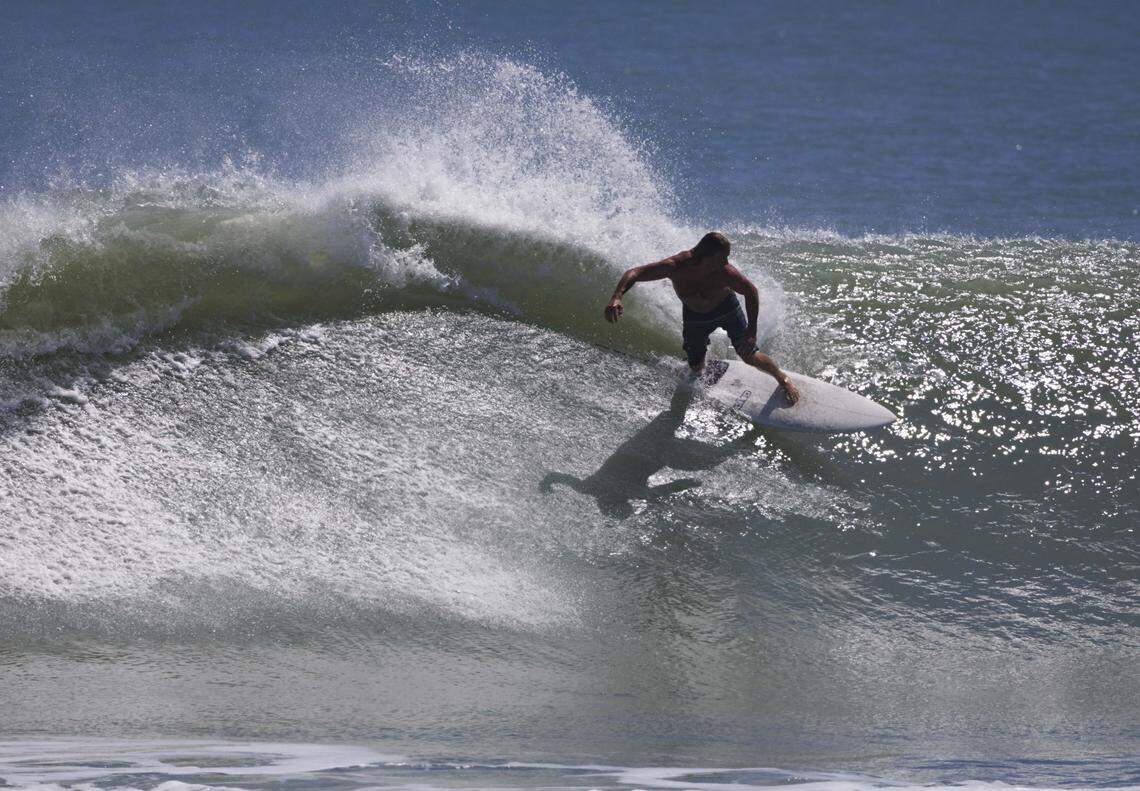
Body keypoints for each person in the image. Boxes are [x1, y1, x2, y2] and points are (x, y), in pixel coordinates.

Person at [604, 231, 800, 405]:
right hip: (694, 318)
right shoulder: (675, 266)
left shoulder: (726, 273)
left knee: (749, 355)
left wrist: (752, 332)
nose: (727, 263)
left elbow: (751, 291)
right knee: (696, 367)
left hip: (727, 309)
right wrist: (616, 297)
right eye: (723, 258)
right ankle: (696, 363)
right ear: (707, 256)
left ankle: (782, 378)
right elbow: (635, 272)